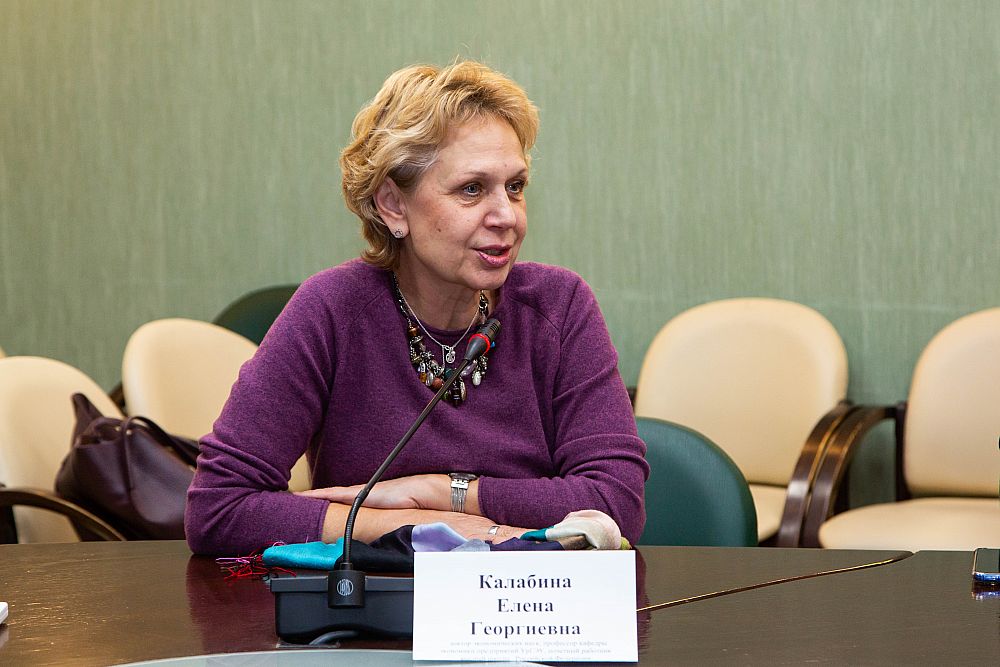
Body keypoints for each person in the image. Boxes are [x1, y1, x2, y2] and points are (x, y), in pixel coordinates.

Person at [185, 61, 648, 556]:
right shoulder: (333, 311)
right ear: (393, 205)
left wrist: (442, 492)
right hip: (377, 600)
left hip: (533, 596)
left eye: (515, 187)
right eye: (472, 189)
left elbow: (616, 502)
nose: (507, 216)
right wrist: (414, 525)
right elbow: (218, 507)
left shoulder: (559, 306)